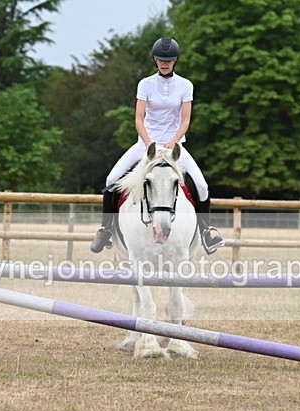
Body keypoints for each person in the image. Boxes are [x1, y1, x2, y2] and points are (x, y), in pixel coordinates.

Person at [89, 37, 225, 255]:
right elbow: (138, 119)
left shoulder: (185, 85)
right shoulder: (145, 84)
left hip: (174, 147)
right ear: (155, 60)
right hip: (146, 146)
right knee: (112, 179)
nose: (164, 63)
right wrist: (149, 142)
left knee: (201, 185)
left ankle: (206, 231)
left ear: (175, 61)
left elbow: (186, 120)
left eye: (169, 60)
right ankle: (105, 229)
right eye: (161, 60)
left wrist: (172, 142)